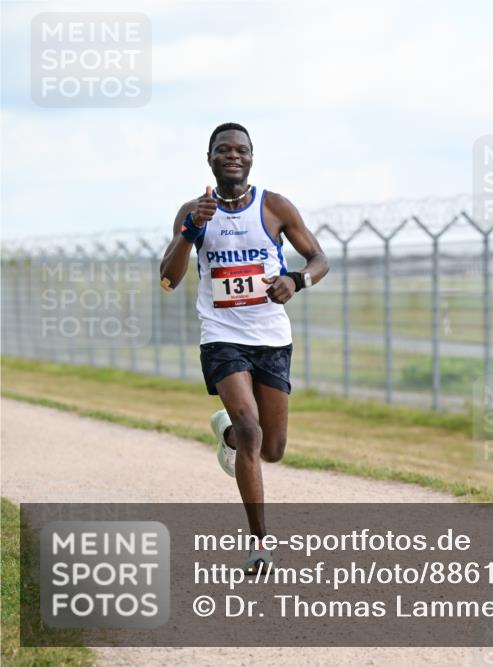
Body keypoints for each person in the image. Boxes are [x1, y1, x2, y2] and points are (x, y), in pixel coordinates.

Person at [160, 122, 328, 572]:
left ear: (251, 158)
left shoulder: (274, 206)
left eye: (241, 150)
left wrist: (295, 280)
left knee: (271, 448)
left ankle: (228, 434)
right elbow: (169, 279)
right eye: (223, 149)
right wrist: (191, 229)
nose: (233, 155)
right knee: (253, 431)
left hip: (271, 337)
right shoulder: (193, 211)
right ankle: (260, 545)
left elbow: (319, 259)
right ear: (210, 158)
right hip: (221, 334)